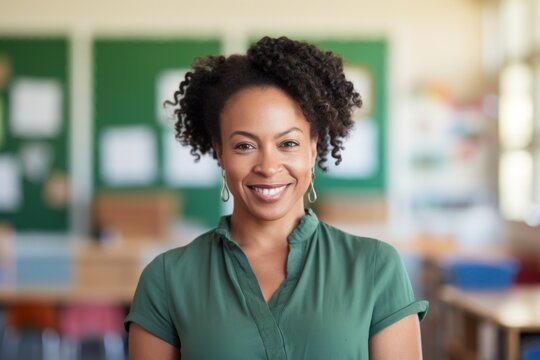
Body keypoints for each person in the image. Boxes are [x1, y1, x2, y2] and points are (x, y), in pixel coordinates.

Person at [125, 36, 428, 360]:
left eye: (288, 144)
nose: (268, 167)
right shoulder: (167, 279)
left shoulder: (375, 268)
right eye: (245, 145)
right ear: (220, 153)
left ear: (313, 150)